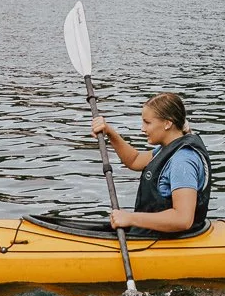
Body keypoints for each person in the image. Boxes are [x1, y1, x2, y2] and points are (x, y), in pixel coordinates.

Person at [89, 91, 212, 236]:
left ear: (167, 123)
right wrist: (109, 132)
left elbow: (183, 219)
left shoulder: (183, 161)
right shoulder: (168, 148)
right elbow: (134, 160)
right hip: (153, 236)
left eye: (147, 122)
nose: (142, 128)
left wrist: (130, 218)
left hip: (170, 242)